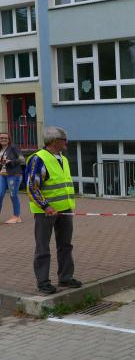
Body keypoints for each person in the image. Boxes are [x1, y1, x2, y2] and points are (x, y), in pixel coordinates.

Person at [27, 126, 82, 294]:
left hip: (65, 210)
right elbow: (32, 187)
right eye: (64, 139)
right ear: (54, 141)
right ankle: (43, 282)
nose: (67, 142)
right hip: (45, 212)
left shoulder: (63, 158)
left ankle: (65, 277)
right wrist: (46, 206)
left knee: (65, 245)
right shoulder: (38, 159)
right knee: (43, 247)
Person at [0, 131, 23, 223]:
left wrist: (10, 161)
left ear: (9, 140)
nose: (3, 139)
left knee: (13, 195)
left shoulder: (13, 148)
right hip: (2, 175)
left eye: (5, 138)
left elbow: (22, 159)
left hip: (14, 175)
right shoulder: (0, 149)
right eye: (1, 138)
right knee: (0, 194)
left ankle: (17, 216)